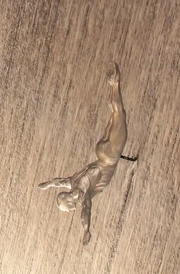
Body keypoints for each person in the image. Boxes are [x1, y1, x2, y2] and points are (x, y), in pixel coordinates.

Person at [39, 62, 129, 245]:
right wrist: (47, 185)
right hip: (101, 151)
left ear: (68, 202)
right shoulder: (71, 182)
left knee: (119, 115)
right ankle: (112, 85)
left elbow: (85, 212)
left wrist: (86, 230)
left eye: (67, 209)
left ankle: (115, 83)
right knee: (116, 115)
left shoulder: (82, 195)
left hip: (110, 158)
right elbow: (59, 181)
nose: (70, 211)